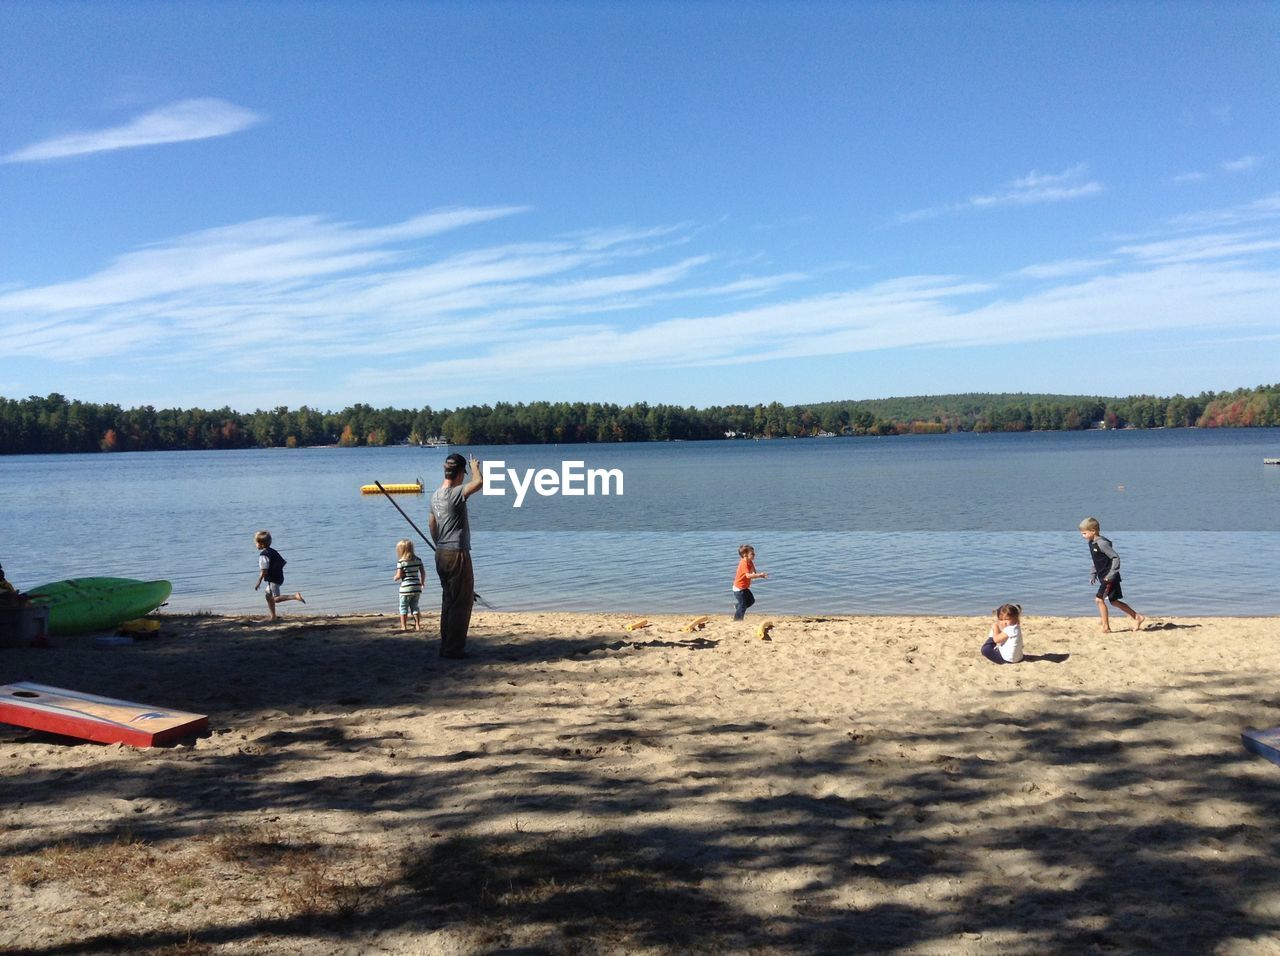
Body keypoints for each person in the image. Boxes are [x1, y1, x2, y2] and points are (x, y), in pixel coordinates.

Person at [428, 452, 483, 658]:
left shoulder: (435, 496)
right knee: (462, 601)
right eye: (464, 472)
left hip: (441, 552)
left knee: (448, 600)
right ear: (460, 473)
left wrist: (438, 544)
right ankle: (454, 648)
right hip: (457, 553)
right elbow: (478, 483)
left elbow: (432, 524)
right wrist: (475, 465)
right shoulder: (456, 493)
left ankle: (446, 644)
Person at [1079, 517, 1146, 632]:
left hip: (1109, 577)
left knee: (1099, 600)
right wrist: (1093, 573)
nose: (1082, 536)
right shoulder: (1091, 543)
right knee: (1114, 601)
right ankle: (1137, 617)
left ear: (1093, 531)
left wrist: (1111, 575)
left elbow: (1115, 558)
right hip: (1103, 576)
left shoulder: (1102, 543)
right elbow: (1097, 560)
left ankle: (1106, 627)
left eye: (1084, 533)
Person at [253, 530, 305, 621]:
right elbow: (283, 563)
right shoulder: (273, 551)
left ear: (261, 544)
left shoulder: (263, 555)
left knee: (276, 598)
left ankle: (295, 596)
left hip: (273, 579)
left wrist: (258, 582)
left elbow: (264, 571)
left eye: (256, 543)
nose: (255, 545)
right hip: (279, 576)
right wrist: (276, 569)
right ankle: (273, 616)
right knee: (268, 596)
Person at [393, 538, 425, 632]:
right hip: (416, 587)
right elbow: (423, 573)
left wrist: (395, 577)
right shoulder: (418, 560)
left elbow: (399, 576)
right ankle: (418, 625)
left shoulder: (401, 562)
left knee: (403, 607)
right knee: (415, 606)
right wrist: (422, 583)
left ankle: (404, 626)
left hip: (405, 588)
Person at [731, 544, 768, 620]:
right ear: (745, 555)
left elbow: (753, 570)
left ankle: (737, 606)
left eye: (754, 553)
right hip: (738, 589)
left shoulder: (750, 561)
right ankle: (737, 620)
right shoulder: (743, 563)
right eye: (752, 554)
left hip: (744, 588)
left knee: (751, 601)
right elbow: (748, 575)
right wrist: (759, 575)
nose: (754, 555)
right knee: (743, 605)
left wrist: (755, 574)